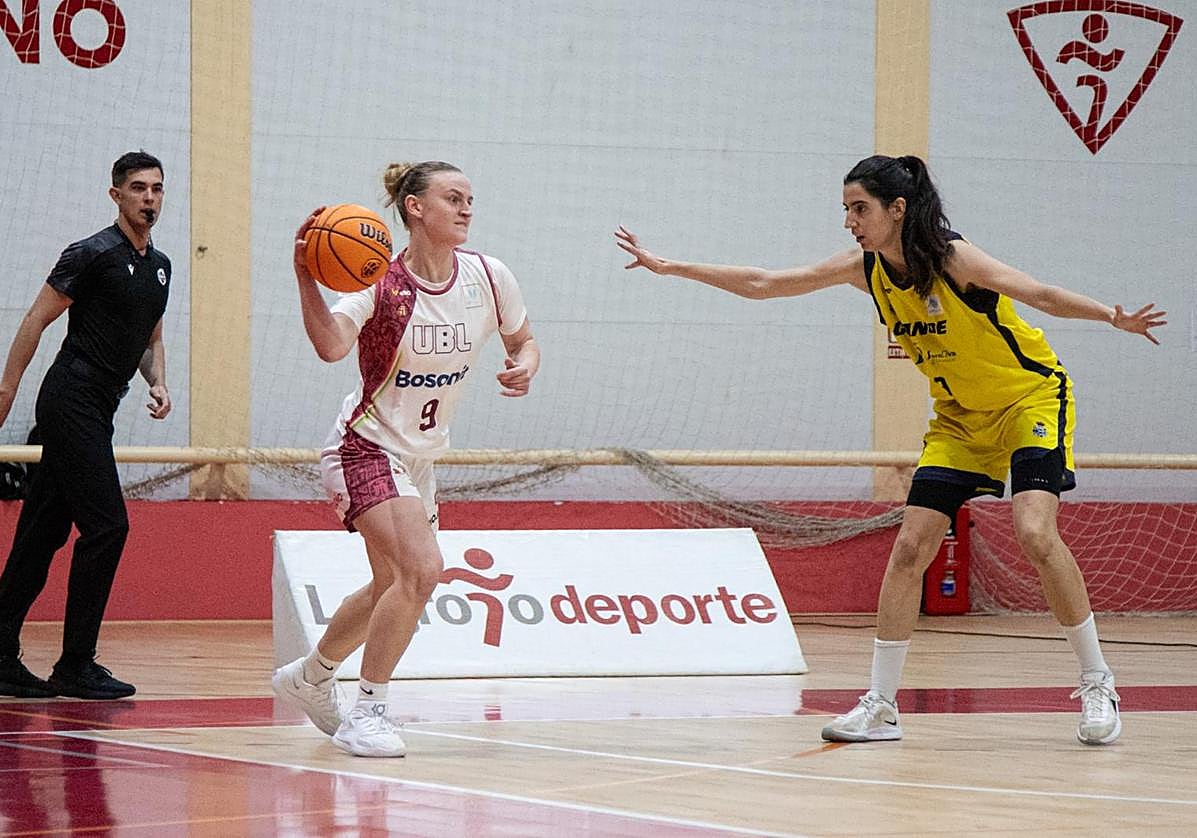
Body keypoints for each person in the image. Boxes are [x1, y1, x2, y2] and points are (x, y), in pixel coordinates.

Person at [616, 154, 1165, 746]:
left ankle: (1098, 681)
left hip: (1028, 400)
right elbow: (766, 283)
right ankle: (881, 705)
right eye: (846, 210)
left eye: (860, 209)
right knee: (910, 546)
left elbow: (1040, 293)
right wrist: (671, 267)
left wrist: (1111, 316)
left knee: (1035, 532)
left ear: (896, 209)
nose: (850, 221)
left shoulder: (954, 258)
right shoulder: (866, 269)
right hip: (959, 421)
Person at [273, 160, 540, 757]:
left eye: (471, 198)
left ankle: (311, 677)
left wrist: (525, 364)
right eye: (453, 198)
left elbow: (524, 339)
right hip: (364, 446)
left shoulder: (490, 277)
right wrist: (304, 277)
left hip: (420, 459)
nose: (468, 208)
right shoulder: (378, 284)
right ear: (415, 208)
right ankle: (368, 711)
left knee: (390, 583)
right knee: (422, 570)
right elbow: (329, 347)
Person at [0, 151, 172, 700]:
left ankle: (0, 654)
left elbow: (151, 337)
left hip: (101, 405)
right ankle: (76, 664)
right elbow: (36, 318)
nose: (149, 197)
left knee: (42, 533)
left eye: (157, 189)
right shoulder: (91, 253)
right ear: (116, 195)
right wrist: (6, 391)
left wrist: (158, 382)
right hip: (70, 400)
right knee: (108, 526)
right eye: (138, 188)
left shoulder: (160, 265)